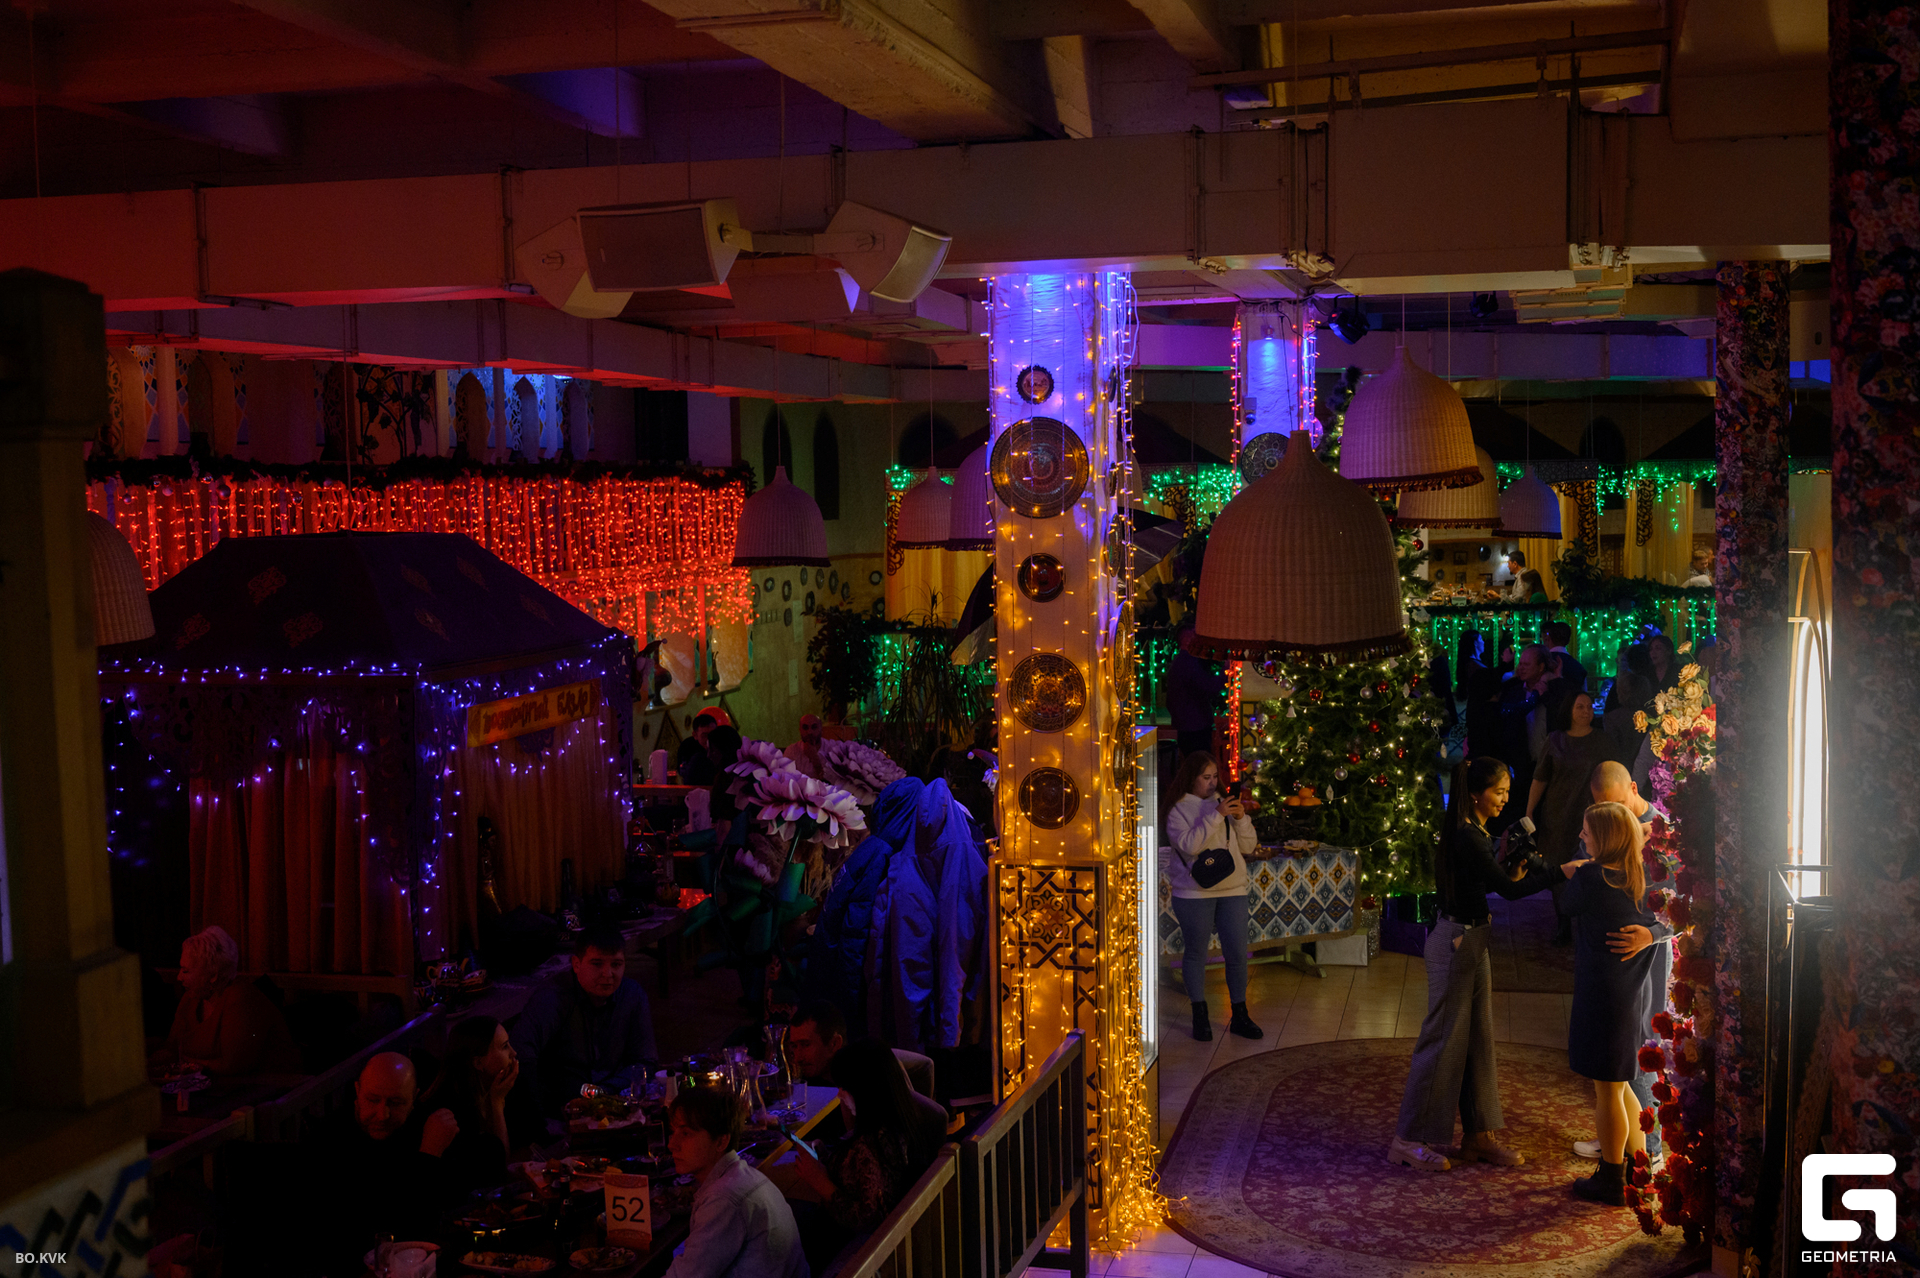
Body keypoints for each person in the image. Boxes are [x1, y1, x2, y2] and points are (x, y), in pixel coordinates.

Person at [1388, 757, 1572, 1172]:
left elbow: (1493, 882)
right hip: (1455, 942)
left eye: (1507, 792)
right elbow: (1509, 891)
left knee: (1478, 1040)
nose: (1505, 800)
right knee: (1442, 1041)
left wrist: (1512, 865)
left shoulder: (1477, 833)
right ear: (1475, 793)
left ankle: (1479, 1137)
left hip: (1473, 940)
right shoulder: (1468, 836)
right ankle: (1406, 1139)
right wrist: (1561, 872)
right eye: (1499, 792)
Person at [1570, 761, 1673, 1167]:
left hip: (1648, 955)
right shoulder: (1603, 826)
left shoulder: (1663, 834)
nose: (1612, 816)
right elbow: (1587, 869)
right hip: (1609, 958)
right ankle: (1620, 1137)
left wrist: (1653, 933)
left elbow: (1683, 904)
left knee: (1640, 1045)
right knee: (1617, 1062)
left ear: (1633, 788)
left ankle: (1650, 1149)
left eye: (1615, 806)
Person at [1562, 802, 1661, 1204]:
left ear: (1604, 839)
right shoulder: (1641, 879)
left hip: (1601, 994)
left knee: (1607, 1092)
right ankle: (1639, 1169)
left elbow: (1566, 906)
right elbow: (1674, 918)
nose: (1581, 836)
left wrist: (1574, 870)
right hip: (1631, 995)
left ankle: (1611, 1176)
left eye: (1586, 831)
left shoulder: (1591, 877)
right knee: (1622, 1089)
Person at [789, 1038, 939, 1269]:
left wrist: (820, 1182)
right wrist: (827, 1156)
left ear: (864, 1091)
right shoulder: (898, 1122)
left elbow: (868, 1219)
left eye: (844, 1088)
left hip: (853, 1253)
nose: (839, 1094)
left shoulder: (871, 1147)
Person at [304, 1053, 455, 1274]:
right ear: (357, 1091)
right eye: (373, 1100)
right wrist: (429, 1157)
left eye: (396, 1103)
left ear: (414, 1099)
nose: (382, 1114)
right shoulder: (328, 1140)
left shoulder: (424, 1127)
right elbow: (397, 1228)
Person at [1160, 751, 1261, 1042]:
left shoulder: (1222, 803)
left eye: (1215, 776)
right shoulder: (1178, 809)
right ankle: (1200, 1015)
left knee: (1237, 953)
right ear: (1191, 778)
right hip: (1193, 892)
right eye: (1206, 777)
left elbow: (1248, 846)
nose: (1212, 782)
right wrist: (1216, 816)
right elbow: (1190, 845)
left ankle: (1240, 1014)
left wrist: (1240, 819)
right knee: (1196, 953)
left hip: (1233, 889)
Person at [509, 924, 658, 1120]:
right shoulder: (552, 998)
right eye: (597, 964)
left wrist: (604, 1093)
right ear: (576, 964)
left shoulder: (632, 996)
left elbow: (645, 1061)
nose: (608, 974)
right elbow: (521, 1053)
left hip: (614, 1100)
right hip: (561, 1107)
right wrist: (539, 1114)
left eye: (616, 964)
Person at [663, 1085, 808, 1278]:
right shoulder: (743, 1176)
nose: (671, 1144)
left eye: (686, 1133)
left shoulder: (723, 1199)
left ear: (721, 1141)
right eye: (673, 1132)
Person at [786, 1000, 945, 1155]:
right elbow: (925, 1065)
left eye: (805, 1045)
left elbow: (938, 1116)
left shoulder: (866, 1081)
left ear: (834, 1043)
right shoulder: (811, 1079)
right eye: (794, 1046)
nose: (798, 1057)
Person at [1525, 693, 1615, 945]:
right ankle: (1562, 920)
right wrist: (1529, 810)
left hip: (1590, 812)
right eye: (1580, 707)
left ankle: (1588, 919)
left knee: (1591, 863)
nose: (1586, 711)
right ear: (1569, 710)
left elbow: (1613, 776)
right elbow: (1540, 777)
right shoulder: (1555, 740)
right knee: (1558, 864)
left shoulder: (1602, 741)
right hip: (1558, 812)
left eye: (1589, 707)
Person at [160, 925, 299, 1076]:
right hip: (215, 1087)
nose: (179, 977)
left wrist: (185, 1063)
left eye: (186, 971)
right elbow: (171, 1049)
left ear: (213, 974)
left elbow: (232, 1067)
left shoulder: (239, 998)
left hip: (276, 1085)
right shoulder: (190, 998)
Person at [417, 1015, 518, 1196]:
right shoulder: (454, 1110)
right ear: (478, 1062)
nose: (514, 1053)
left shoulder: (505, 1084)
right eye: (504, 1047)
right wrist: (497, 1104)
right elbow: (497, 1169)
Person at [1165, 621, 1228, 762]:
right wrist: (1225, 669)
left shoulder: (1180, 661)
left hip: (1186, 725)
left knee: (1193, 763)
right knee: (1200, 764)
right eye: (1195, 636)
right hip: (1195, 726)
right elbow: (1210, 686)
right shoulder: (1189, 663)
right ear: (1187, 640)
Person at [678, 708, 729, 786]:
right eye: (704, 735)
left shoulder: (722, 747)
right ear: (695, 735)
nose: (709, 739)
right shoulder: (688, 747)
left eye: (713, 734)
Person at [1540, 620, 1587, 691]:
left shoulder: (1540, 663)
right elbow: (1583, 693)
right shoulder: (1578, 667)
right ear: (1568, 641)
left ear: (1548, 638)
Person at [785, 713, 827, 779]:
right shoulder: (791, 751)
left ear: (821, 728)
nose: (809, 732)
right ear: (800, 730)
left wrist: (815, 760)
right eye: (805, 728)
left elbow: (832, 782)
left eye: (814, 727)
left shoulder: (832, 749)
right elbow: (786, 779)